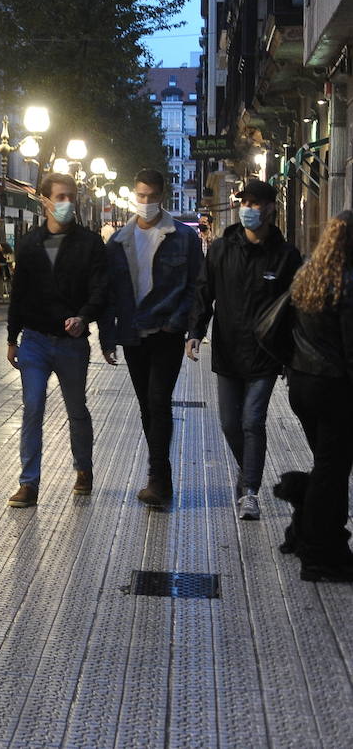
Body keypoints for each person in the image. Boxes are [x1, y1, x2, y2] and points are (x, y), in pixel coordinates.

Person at [187, 179, 301, 520]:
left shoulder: (285, 256)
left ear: (270, 209)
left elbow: (296, 307)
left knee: (253, 421)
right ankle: (247, 471)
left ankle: (249, 491)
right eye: (245, 202)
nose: (248, 209)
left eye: (255, 203)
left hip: (266, 355)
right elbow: (204, 291)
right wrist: (195, 331)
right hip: (228, 350)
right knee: (228, 424)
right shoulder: (223, 249)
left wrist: (294, 356)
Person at [100, 168, 203, 509]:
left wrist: (183, 327)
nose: (145, 202)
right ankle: (158, 474)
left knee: (159, 401)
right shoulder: (119, 240)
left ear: (163, 196)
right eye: (140, 196)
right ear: (133, 194)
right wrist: (108, 336)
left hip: (165, 332)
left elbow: (195, 287)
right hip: (133, 333)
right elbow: (109, 292)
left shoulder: (182, 237)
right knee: (147, 405)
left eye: (151, 196)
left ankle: (159, 478)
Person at [4, 173, 108, 509]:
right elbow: (18, 292)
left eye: (71, 197)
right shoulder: (30, 243)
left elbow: (99, 289)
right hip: (33, 339)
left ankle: (83, 469)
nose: (67, 203)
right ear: (45, 201)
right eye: (60, 197)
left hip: (71, 342)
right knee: (33, 407)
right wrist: (11, 336)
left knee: (76, 409)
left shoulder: (89, 243)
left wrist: (84, 317)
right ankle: (28, 483)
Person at [285, 211, 353, 581]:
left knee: (328, 466)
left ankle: (309, 535)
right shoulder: (346, 283)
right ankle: (318, 553)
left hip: (302, 385)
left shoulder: (307, 276)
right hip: (332, 389)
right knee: (333, 469)